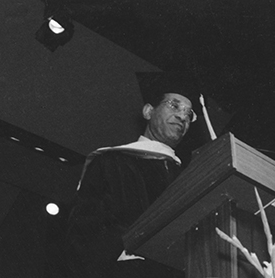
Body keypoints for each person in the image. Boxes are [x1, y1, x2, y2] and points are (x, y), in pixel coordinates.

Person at [63, 72, 200, 277]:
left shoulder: (189, 177)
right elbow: (83, 234)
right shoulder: (111, 162)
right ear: (148, 112)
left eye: (189, 114)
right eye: (174, 105)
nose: (182, 117)